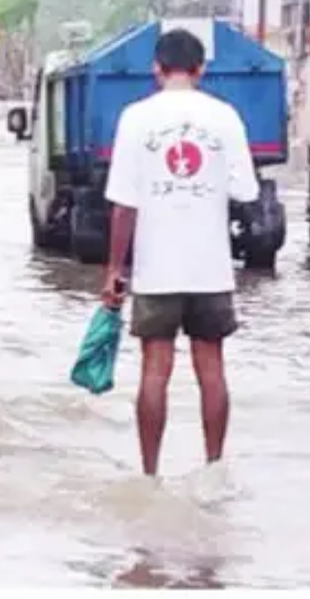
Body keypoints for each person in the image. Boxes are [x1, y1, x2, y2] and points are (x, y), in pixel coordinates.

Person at [102, 27, 260, 477]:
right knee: (211, 368)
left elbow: (123, 204)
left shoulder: (135, 118)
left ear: (156, 67)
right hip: (210, 268)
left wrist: (114, 269)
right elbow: (246, 189)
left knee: (155, 370)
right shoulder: (225, 117)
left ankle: (150, 474)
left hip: (157, 269)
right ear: (200, 69)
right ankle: (214, 467)